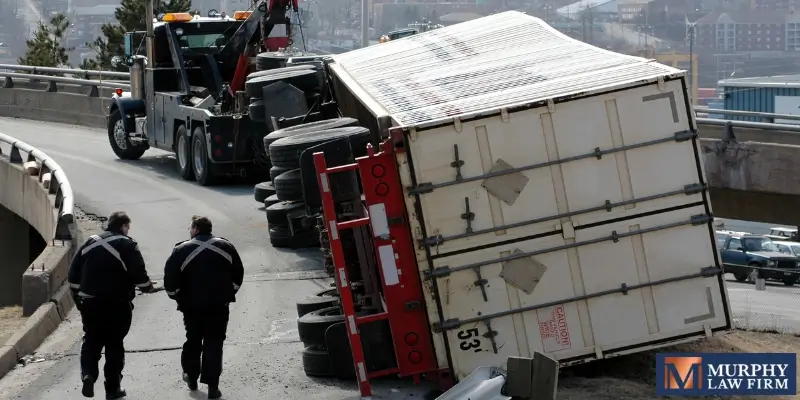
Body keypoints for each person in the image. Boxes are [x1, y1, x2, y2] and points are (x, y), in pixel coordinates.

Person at [67, 211, 159, 399]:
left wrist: (79, 299)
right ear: (124, 226)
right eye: (127, 227)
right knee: (114, 344)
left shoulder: (89, 242)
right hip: (117, 304)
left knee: (91, 339)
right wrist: (147, 287)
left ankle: (88, 375)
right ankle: (112, 389)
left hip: (90, 303)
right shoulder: (127, 244)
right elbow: (138, 273)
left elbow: (73, 276)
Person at [164, 215, 244, 399]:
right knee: (214, 343)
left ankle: (191, 377)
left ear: (196, 229)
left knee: (193, 340)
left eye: (190, 228)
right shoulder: (227, 247)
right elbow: (238, 274)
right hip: (218, 305)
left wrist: (177, 297)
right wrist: (227, 294)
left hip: (192, 307)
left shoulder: (180, 249)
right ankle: (213, 387)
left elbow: (170, 279)